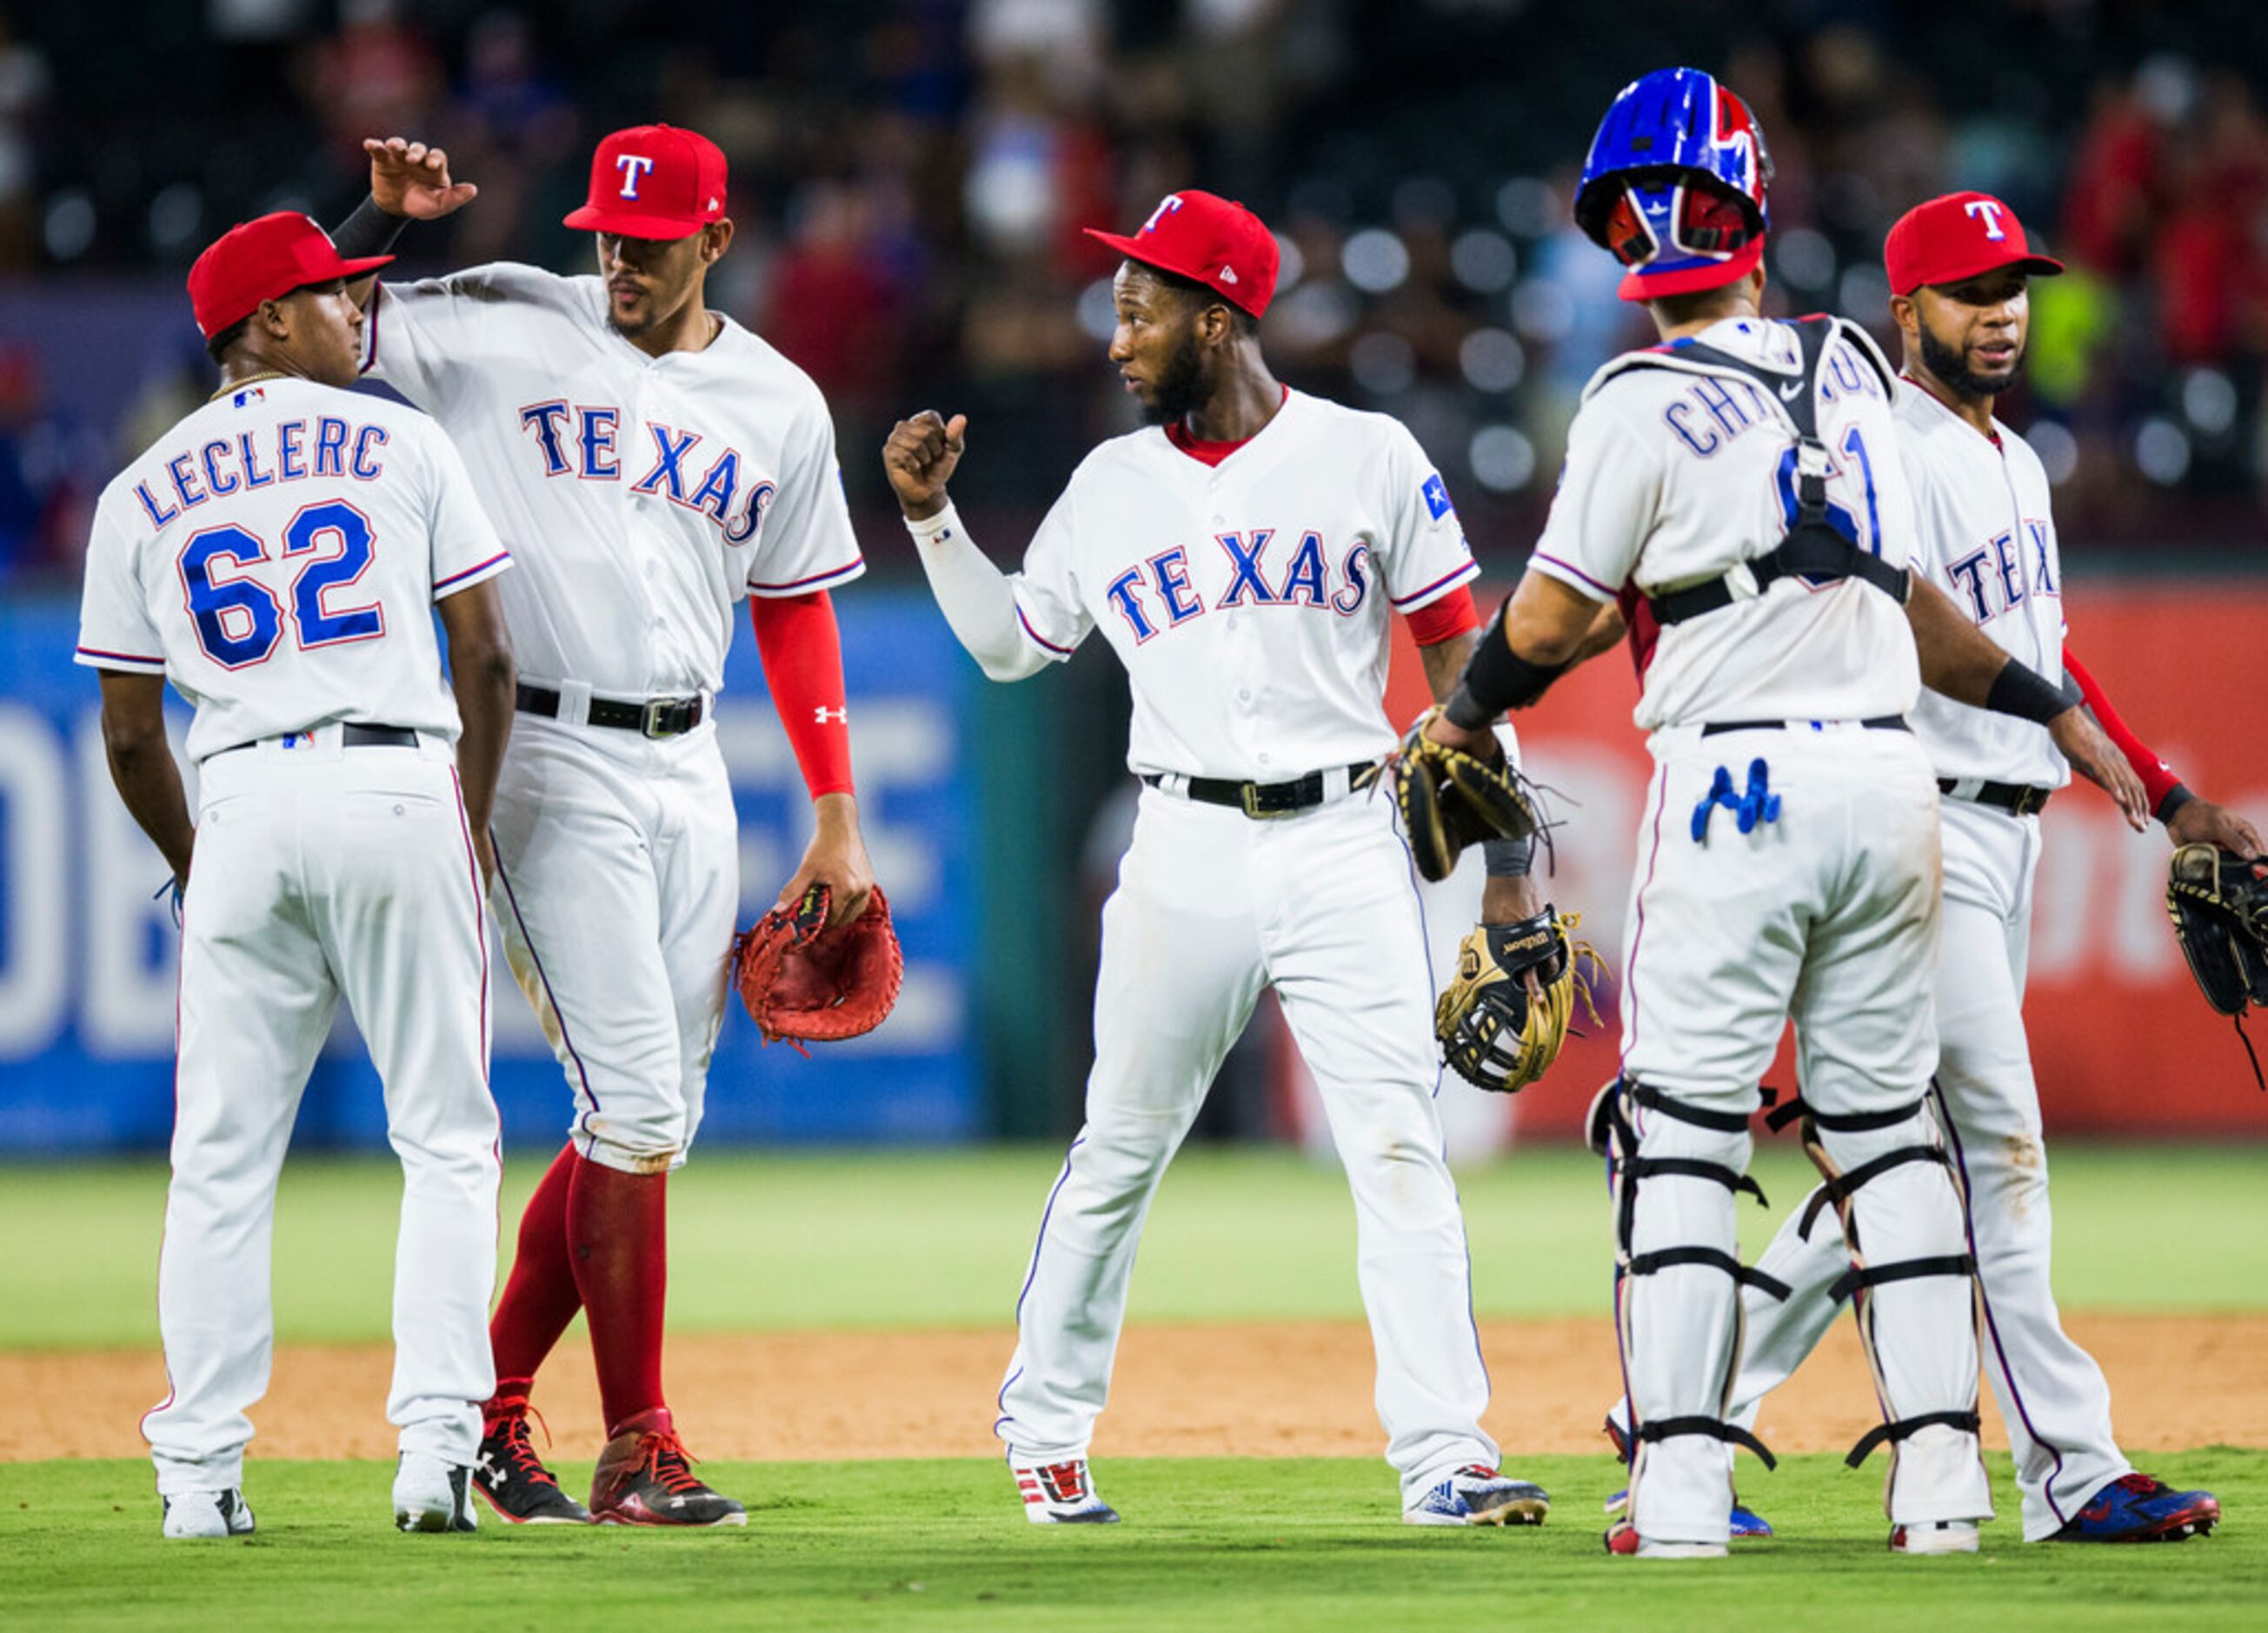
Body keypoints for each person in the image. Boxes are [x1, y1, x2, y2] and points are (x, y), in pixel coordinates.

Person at [1423, 69, 2150, 1558]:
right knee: (1891, 1139)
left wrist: (1459, 707)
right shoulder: (1860, 378)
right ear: (1758, 213)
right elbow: (1912, 606)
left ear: (1623, 244)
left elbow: (1555, 617)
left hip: (1736, 783)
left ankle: (1680, 1489)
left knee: (1683, 1135)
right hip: (1892, 784)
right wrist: (2046, 703)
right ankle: (1942, 1495)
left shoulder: (1631, 398)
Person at [884, 190, 1552, 1530]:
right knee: (1121, 1143)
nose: (1116, 334)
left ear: (1219, 313)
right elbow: (1017, 645)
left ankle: (1444, 1453)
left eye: (1139, 309)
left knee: (1396, 1146)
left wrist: (1507, 868)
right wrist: (932, 519)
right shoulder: (1108, 484)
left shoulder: (1367, 455)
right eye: (1115, 308)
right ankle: (1045, 1424)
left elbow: (1458, 682)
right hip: (1179, 841)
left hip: (1342, 837)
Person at [1603, 190, 2256, 1544]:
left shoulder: (2012, 458)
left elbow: (2042, 652)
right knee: (1989, 1151)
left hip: (2005, 828)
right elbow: (1920, 627)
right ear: (1904, 309)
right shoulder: (1876, 441)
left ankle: (1684, 1408)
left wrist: (2169, 788)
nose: (2000, 313)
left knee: (1900, 1155)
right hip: (1924, 821)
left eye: (2012, 287)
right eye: (1968, 291)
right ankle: (2067, 1465)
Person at [331, 129, 877, 1526]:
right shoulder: (503, 317)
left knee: (647, 1114)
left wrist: (835, 813)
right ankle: (635, 1442)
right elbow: (307, 324)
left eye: (650, 238)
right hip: (539, 750)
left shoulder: (778, 399)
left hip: (691, 757)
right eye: (607, 234)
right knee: (634, 1104)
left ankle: (482, 1409)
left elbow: (794, 602)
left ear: (715, 238)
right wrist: (375, 221)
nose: (620, 259)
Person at [76, 211, 516, 1537]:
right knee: (446, 1135)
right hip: (394, 778)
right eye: (332, 294)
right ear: (266, 323)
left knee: (218, 1159)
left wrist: (201, 865)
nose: (355, 311)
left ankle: (201, 1476)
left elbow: (127, 732)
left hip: (244, 793)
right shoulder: (402, 437)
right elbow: (485, 657)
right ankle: (437, 1451)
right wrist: (469, 823)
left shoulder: (137, 486)